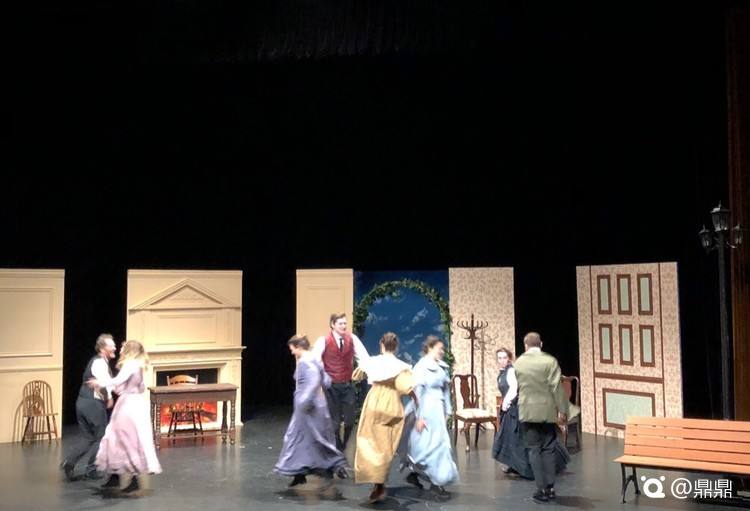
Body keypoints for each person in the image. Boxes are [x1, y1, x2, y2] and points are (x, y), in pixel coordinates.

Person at [87, 339, 162, 494]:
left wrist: (99, 382)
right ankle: (116, 476)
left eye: (122, 348)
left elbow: (117, 380)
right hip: (136, 404)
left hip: (128, 406)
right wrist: (125, 388)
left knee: (122, 439)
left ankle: (130, 478)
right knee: (123, 438)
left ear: (129, 350)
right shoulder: (139, 366)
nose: (119, 350)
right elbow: (141, 387)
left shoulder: (130, 364)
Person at [274, 334, 348, 489]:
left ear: (299, 347)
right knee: (306, 439)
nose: (292, 352)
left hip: (308, 408)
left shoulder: (305, 361)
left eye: (292, 349)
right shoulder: (314, 359)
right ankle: (300, 474)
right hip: (315, 405)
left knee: (302, 439)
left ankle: (330, 467)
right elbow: (326, 381)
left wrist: (305, 400)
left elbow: (314, 381)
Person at [354, 332, 417, 504]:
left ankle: (376, 482)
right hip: (391, 403)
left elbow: (358, 375)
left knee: (370, 441)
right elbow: (405, 387)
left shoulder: (372, 362)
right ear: (395, 347)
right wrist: (415, 398)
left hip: (374, 401)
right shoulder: (401, 366)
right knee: (386, 445)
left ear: (382, 345)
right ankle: (379, 483)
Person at [491, 347, 569, 479]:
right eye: (500, 358)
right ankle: (515, 465)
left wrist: (505, 403)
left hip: (516, 408)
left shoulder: (511, 371)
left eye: (504, 358)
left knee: (521, 437)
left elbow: (513, 389)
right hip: (511, 409)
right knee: (513, 438)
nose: (502, 360)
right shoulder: (503, 372)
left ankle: (538, 466)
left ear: (509, 358)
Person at [312, 311, 370, 478]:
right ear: (333, 325)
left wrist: (364, 370)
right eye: (340, 323)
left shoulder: (352, 339)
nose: (344, 326)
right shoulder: (324, 341)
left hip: (346, 384)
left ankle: (341, 448)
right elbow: (315, 360)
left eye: (345, 323)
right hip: (331, 387)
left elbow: (364, 358)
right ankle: (338, 460)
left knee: (351, 420)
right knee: (335, 423)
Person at [513, 332, 569, 503]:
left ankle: (541, 488)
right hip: (546, 410)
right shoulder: (550, 361)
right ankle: (550, 487)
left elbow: (519, 385)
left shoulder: (519, 362)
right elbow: (556, 388)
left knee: (533, 449)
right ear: (541, 344)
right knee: (548, 449)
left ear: (526, 346)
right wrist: (562, 409)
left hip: (528, 410)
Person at [402, 335, 458, 498]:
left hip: (437, 410)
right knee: (425, 447)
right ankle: (420, 475)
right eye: (439, 348)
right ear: (429, 348)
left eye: (442, 349)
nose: (442, 351)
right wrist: (419, 416)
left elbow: (446, 390)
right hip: (426, 409)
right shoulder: (421, 367)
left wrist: (448, 411)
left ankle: (433, 481)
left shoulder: (441, 367)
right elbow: (417, 393)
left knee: (440, 446)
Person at [60, 333, 117, 481]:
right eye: (111, 345)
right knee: (101, 437)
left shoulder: (97, 361)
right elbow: (104, 382)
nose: (114, 348)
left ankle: (69, 463)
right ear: (103, 348)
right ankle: (92, 470)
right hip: (93, 404)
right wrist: (109, 397)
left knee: (87, 437)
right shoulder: (99, 362)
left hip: (82, 402)